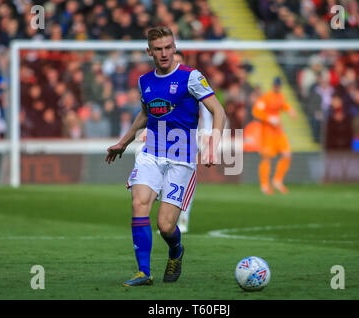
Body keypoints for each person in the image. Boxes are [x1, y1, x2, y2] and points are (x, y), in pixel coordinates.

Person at [105, 26, 226, 287]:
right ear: (149, 51)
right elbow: (146, 114)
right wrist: (123, 143)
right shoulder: (144, 81)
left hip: (181, 159)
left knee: (166, 226)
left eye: (168, 47)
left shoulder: (191, 77)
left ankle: (175, 251)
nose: (164, 53)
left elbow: (218, 111)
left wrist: (212, 145)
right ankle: (143, 272)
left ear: (174, 48)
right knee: (139, 203)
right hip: (150, 154)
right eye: (158, 49)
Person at [174, 50, 213, 234]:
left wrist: (207, 131)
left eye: (178, 61)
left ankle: (182, 219)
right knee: (166, 182)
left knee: (186, 178)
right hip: (164, 138)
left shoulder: (192, 79)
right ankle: (170, 218)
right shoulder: (159, 81)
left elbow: (207, 106)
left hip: (188, 136)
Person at [252, 77, 296, 195]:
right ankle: (264, 185)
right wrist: (269, 118)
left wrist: (290, 110)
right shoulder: (266, 98)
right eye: (276, 85)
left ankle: (277, 180)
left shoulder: (281, 96)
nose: (277, 87)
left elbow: (284, 105)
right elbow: (256, 111)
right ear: (273, 85)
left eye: (278, 85)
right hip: (268, 133)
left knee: (287, 154)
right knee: (266, 157)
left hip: (278, 131)